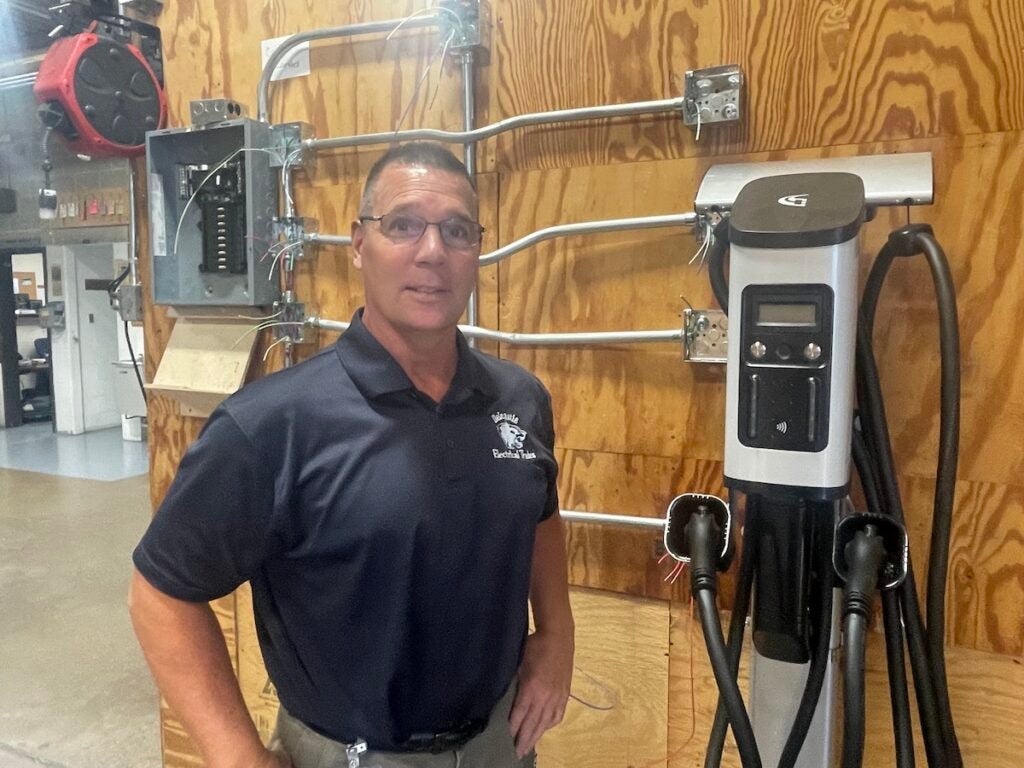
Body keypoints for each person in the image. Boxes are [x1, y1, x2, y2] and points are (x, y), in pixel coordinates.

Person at [129, 142, 575, 768]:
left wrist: (556, 635)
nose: (432, 252)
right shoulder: (271, 425)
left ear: (478, 251)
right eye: (403, 225)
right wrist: (237, 757)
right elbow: (160, 593)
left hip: (499, 746)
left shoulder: (519, 399)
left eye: (457, 230)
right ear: (358, 245)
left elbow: (538, 512)